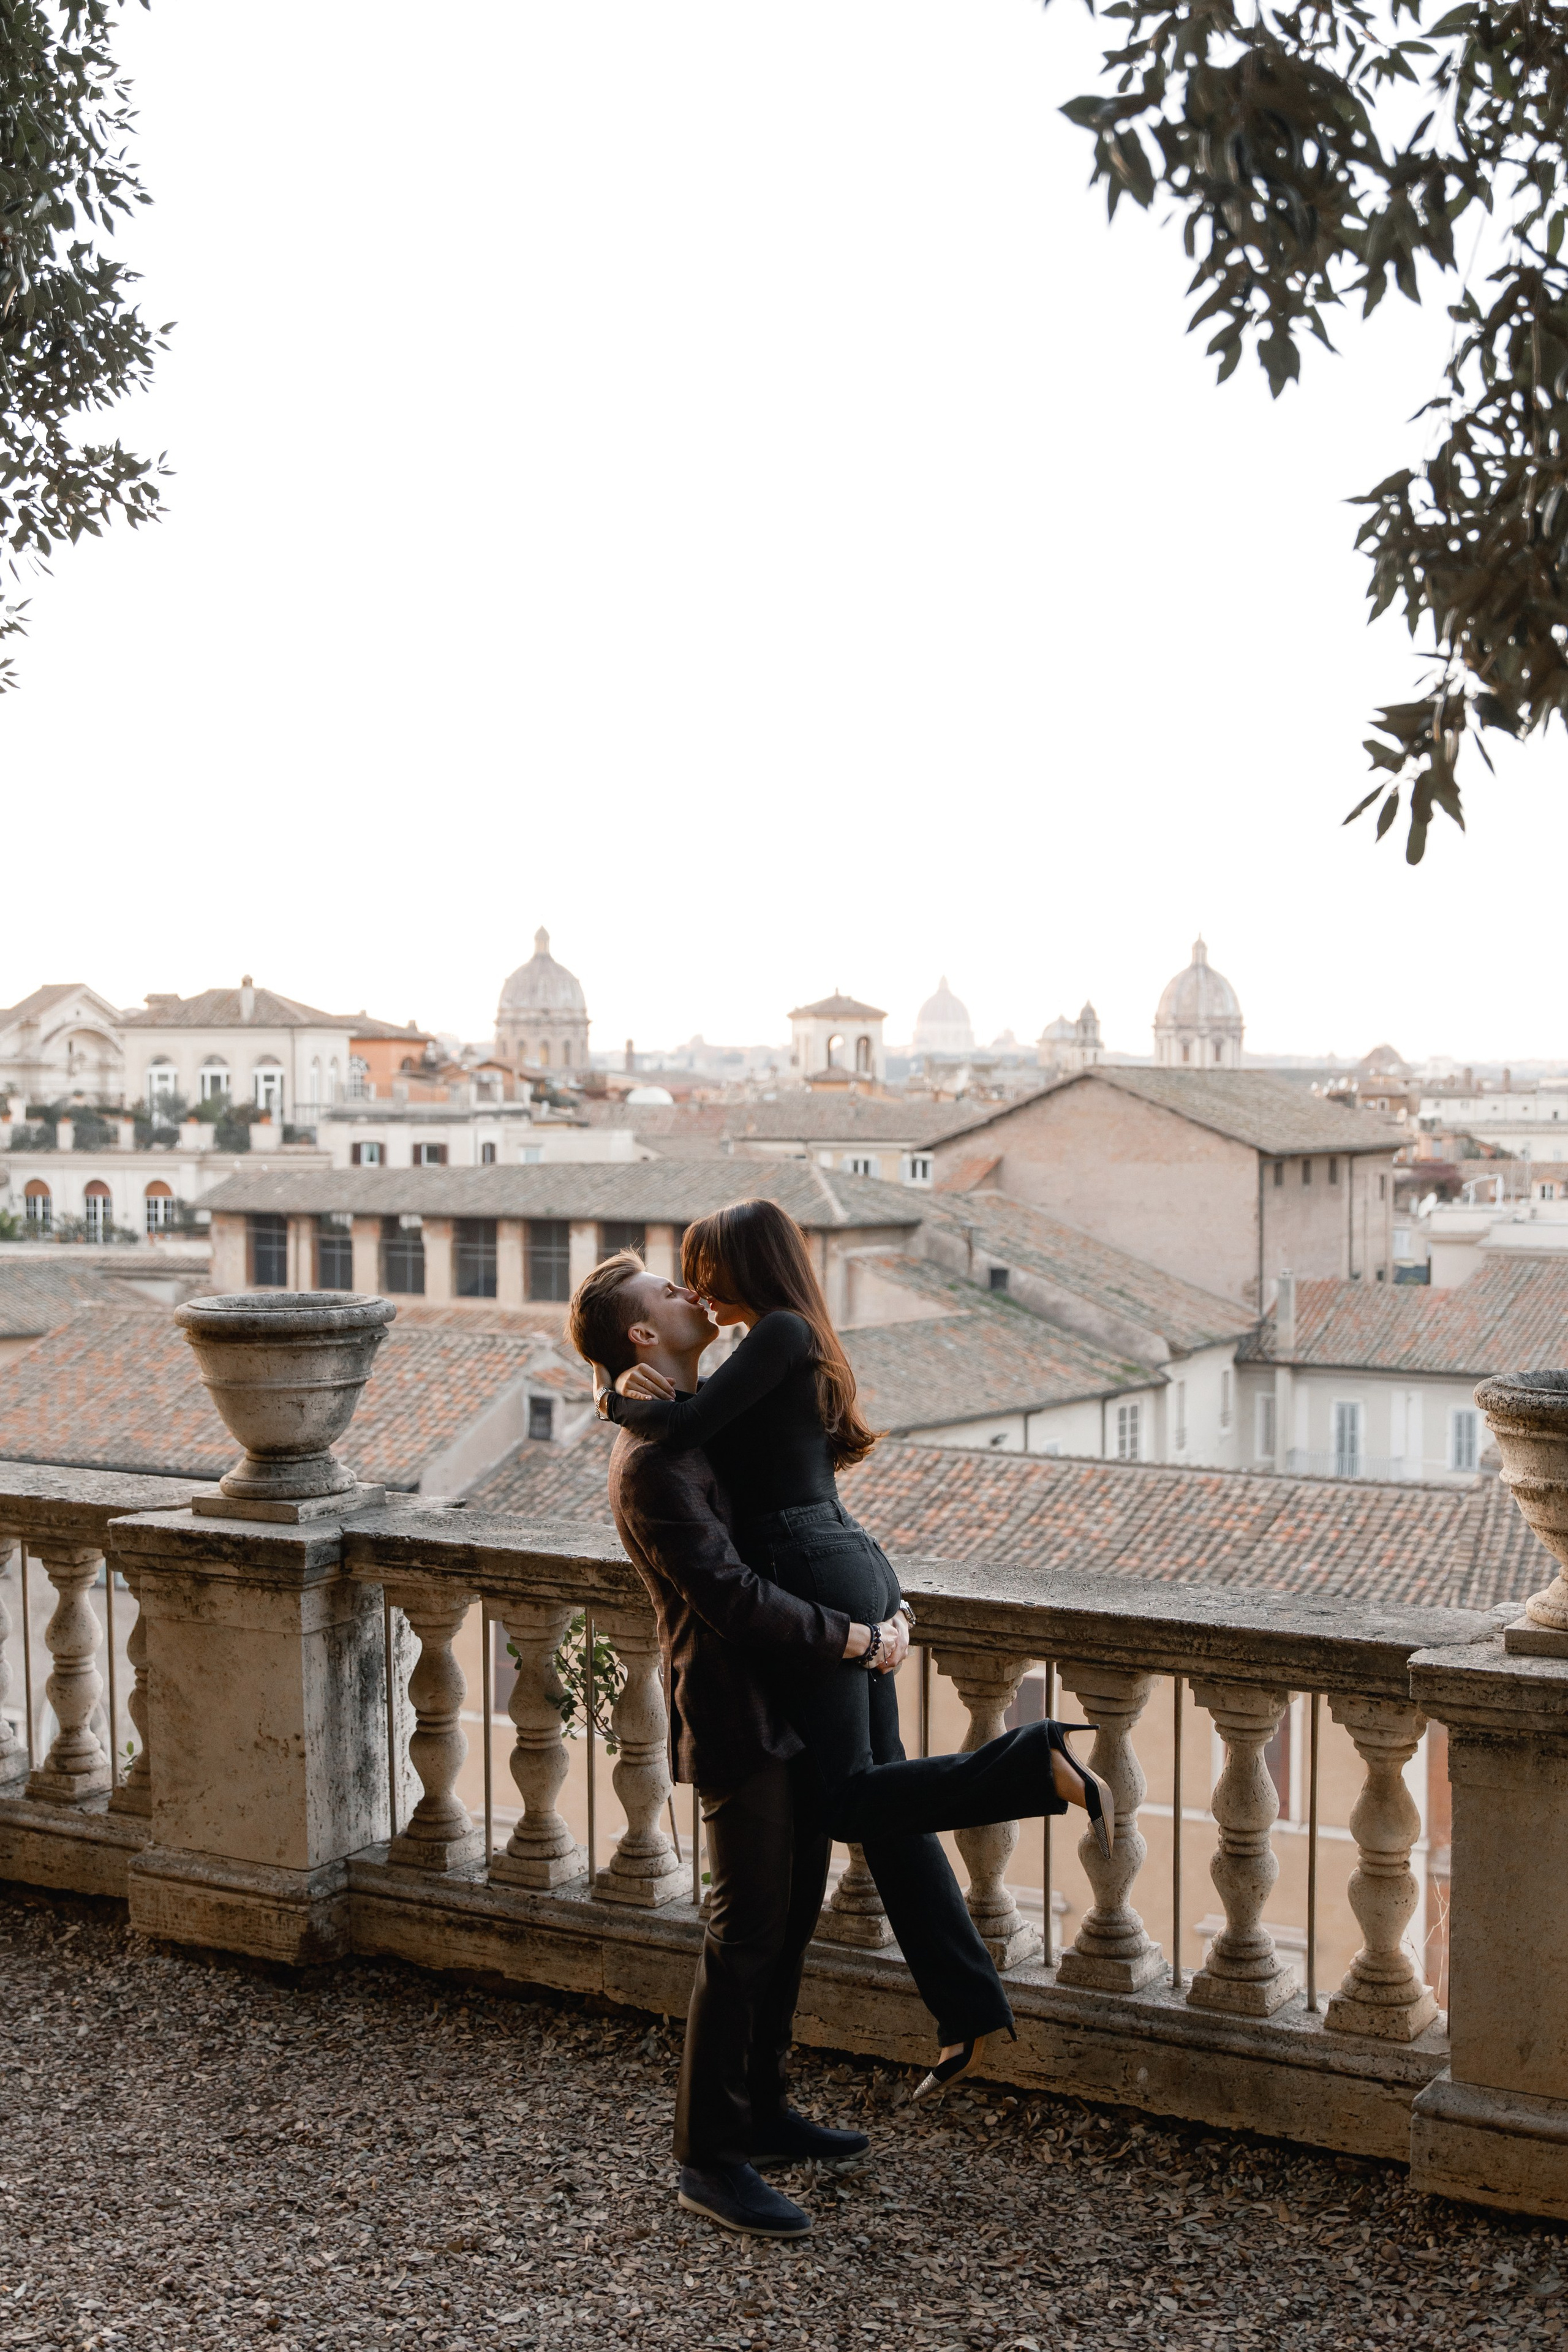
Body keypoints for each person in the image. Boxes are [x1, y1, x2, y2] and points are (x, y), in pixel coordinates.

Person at [594, 1202, 1114, 2100]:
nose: (696, 1286)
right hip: (840, 1557)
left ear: (741, 1262)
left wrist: (609, 1391)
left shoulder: (778, 1332)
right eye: (681, 1275)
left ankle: (1037, 1761)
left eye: (702, 1266)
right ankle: (968, 2011)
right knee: (883, 1805)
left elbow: (678, 1429)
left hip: (813, 1565)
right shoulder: (784, 1339)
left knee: (847, 1799)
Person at [567, 1253, 913, 2242]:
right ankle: (708, 2159)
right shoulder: (655, 1467)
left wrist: (878, 1601)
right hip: (738, 1720)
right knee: (746, 1930)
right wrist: (853, 1638)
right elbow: (734, 1599)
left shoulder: (697, 1424)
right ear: (643, 1336)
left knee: (790, 1916)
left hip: (792, 1705)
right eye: (670, 1296)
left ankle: (762, 2110)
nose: (692, 1296)